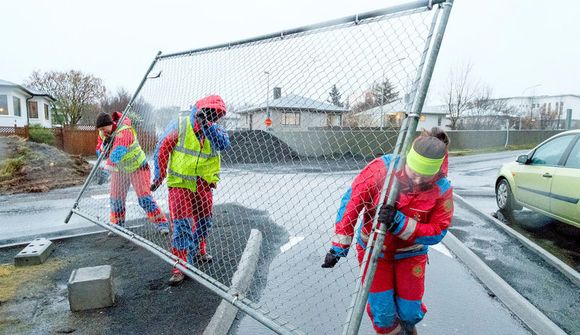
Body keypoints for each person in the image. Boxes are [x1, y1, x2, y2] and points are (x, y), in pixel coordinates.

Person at [321, 129, 453, 335]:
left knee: (410, 313)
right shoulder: (381, 170)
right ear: (408, 160)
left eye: (425, 178)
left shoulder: (441, 188)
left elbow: (438, 231)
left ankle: (407, 327)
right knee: (383, 315)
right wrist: (338, 248)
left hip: (411, 254)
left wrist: (398, 223)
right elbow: (352, 203)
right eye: (414, 173)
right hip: (375, 252)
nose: (418, 181)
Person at [151, 95, 231, 286]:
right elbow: (162, 148)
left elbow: (223, 144)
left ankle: (198, 251)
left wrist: (207, 126)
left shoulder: (215, 129)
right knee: (182, 226)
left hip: (203, 184)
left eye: (215, 114)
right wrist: (159, 177)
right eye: (207, 112)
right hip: (180, 183)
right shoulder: (180, 125)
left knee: (204, 221)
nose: (211, 116)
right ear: (198, 110)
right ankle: (180, 266)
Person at [95, 112, 170, 234]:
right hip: (120, 170)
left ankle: (162, 223)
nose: (103, 132)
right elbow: (99, 150)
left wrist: (106, 172)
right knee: (116, 199)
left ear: (111, 124)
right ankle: (117, 226)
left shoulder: (124, 131)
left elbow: (117, 153)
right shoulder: (103, 133)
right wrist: (104, 146)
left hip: (138, 167)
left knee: (144, 197)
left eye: (104, 128)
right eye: (100, 130)